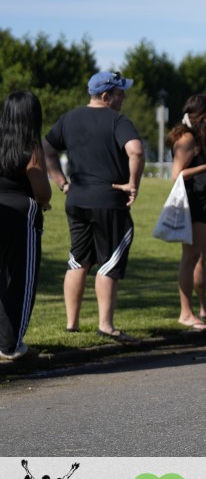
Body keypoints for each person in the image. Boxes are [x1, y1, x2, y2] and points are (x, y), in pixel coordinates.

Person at [43, 70, 144, 344]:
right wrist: (132, 184)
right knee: (108, 263)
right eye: (120, 93)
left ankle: (71, 325)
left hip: (77, 198)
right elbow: (136, 150)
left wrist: (62, 183)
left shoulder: (69, 118)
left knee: (78, 260)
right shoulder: (118, 121)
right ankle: (106, 326)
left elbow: (47, 149)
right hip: (109, 200)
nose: (124, 97)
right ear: (106, 96)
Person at [167, 94, 206, 330]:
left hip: (203, 203)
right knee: (190, 258)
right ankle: (185, 313)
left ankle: (203, 307)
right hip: (192, 203)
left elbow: (195, 168)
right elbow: (177, 174)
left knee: (200, 257)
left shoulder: (199, 136)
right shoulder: (186, 138)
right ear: (205, 114)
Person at [0, 91, 50, 363]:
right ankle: (10, 345)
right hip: (21, 217)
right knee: (20, 280)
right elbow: (42, 193)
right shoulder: (30, 147)